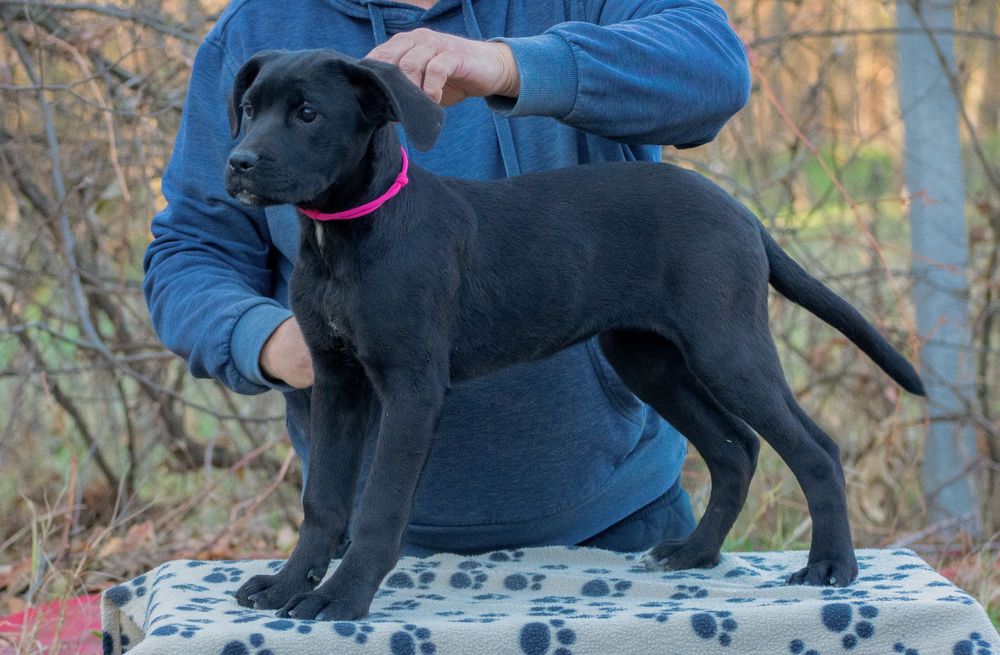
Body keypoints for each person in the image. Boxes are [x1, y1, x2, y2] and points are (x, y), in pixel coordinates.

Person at [143, 0, 750, 557]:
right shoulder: (257, 29)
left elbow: (713, 68)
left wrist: (513, 66)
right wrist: (269, 341)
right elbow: (192, 248)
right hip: (370, 548)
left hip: (621, 523)